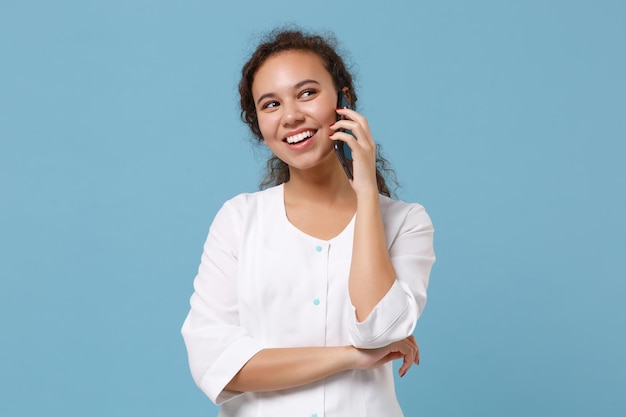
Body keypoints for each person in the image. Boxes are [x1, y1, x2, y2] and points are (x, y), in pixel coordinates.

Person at [181, 28, 435, 417]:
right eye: (270, 104)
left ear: (343, 98)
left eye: (307, 93)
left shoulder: (405, 223)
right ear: (259, 127)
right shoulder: (238, 220)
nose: (291, 115)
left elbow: (381, 331)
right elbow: (215, 364)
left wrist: (366, 193)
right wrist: (350, 357)